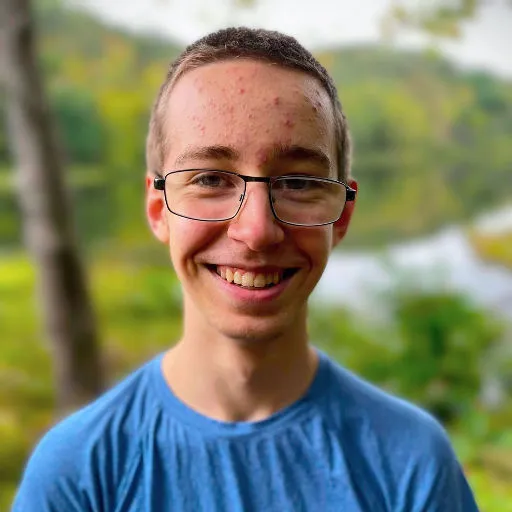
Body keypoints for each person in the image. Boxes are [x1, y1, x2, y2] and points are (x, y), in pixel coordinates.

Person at [13, 27, 479, 512]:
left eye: (298, 182)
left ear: (341, 216)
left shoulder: (410, 462)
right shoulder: (80, 473)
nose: (256, 231)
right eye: (210, 179)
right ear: (158, 210)